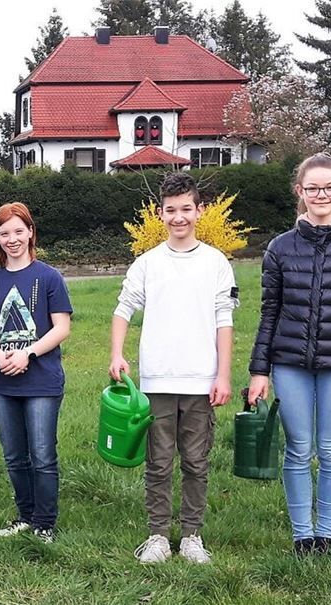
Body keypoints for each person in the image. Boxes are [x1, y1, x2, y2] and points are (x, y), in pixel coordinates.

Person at [247, 152, 331, 557]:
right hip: (289, 363)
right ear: (299, 192)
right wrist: (259, 370)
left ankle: (327, 534)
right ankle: (303, 535)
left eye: (329, 187)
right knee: (299, 448)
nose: (320, 194)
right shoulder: (280, 248)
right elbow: (269, 312)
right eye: (312, 188)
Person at [109, 172, 236, 564]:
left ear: (199, 211)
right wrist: (117, 353)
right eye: (170, 210)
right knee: (159, 462)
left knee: (197, 462)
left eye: (186, 209)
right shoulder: (148, 263)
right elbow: (123, 308)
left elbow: (224, 320)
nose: (178, 217)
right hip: (157, 380)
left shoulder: (216, 263)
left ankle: (193, 536)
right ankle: (159, 536)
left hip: (201, 380)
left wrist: (224, 375)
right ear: (160, 213)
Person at [0, 202, 72, 544]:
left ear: (30, 232)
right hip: (3, 381)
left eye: (19, 231)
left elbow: (61, 327)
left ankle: (45, 523)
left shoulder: (49, 277)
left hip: (42, 380)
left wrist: (28, 353)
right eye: (5, 233)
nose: (12, 239)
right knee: (14, 455)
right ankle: (25, 515)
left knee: (43, 455)